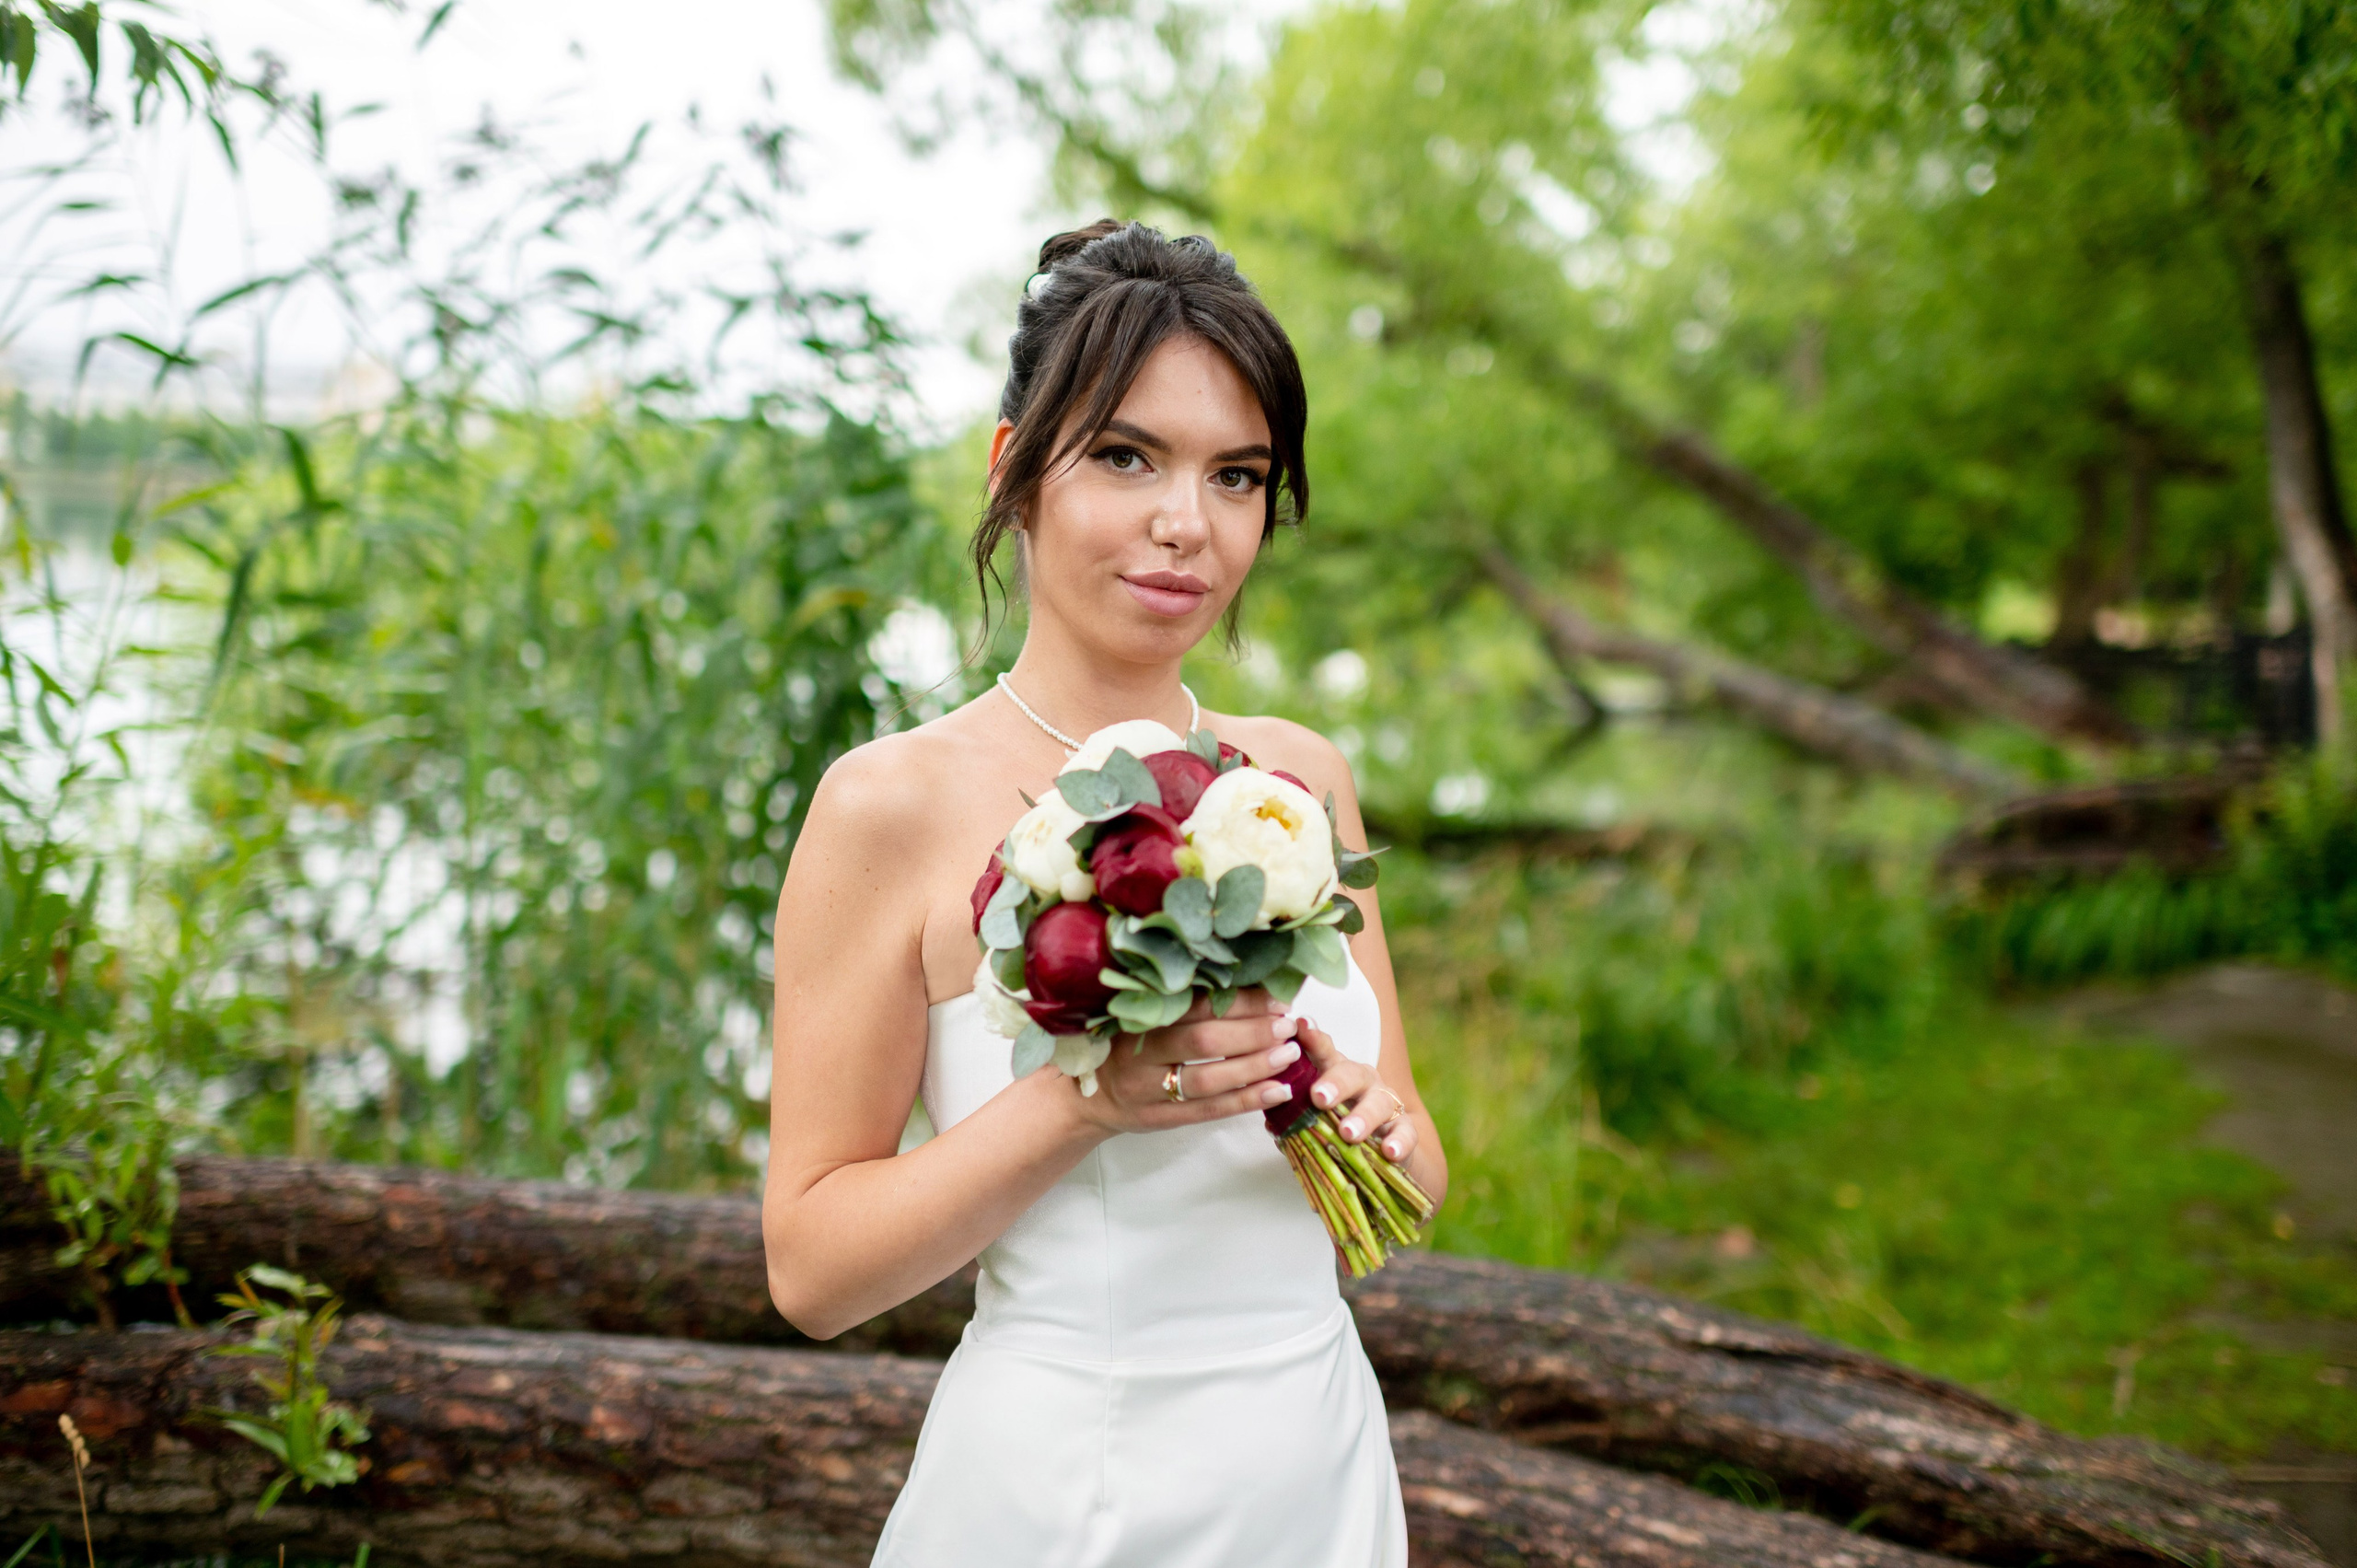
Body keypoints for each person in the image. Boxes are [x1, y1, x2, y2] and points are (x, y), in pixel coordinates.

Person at [761, 219, 1446, 1567]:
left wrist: (1366, 1122)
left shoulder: (1297, 783)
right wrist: (1090, 1100)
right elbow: (814, 1272)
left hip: (1316, 1469)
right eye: (1128, 456)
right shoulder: (887, 807)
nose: (1186, 524)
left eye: (1236, 475)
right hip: (1068, 1489)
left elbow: (1416, 1172)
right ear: (1015, 470)